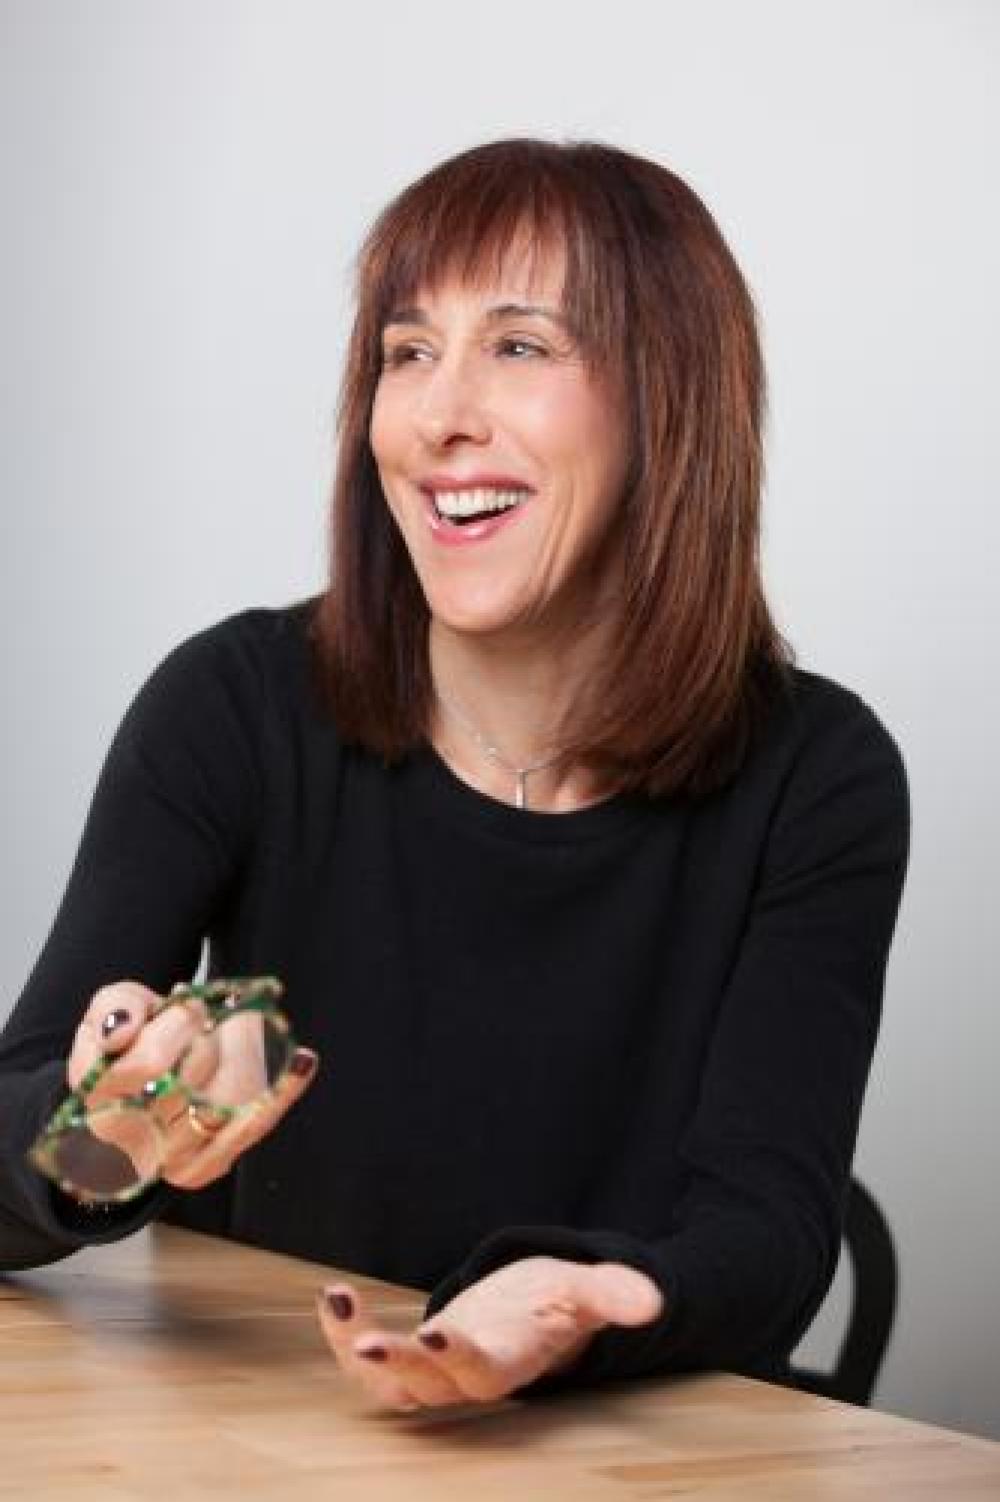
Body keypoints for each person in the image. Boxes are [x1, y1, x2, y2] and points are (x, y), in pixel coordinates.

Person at [0, 138, 909, 1412]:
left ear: (669, 399)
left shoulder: (819, 774)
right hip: (282, 1445)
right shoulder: (237, 704)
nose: (435, 416)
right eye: (407, 351)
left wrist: (588, 1301)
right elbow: (12, 1145)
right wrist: (103, 1143)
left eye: (522, 346)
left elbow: (765, 1227)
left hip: (637, 1460)